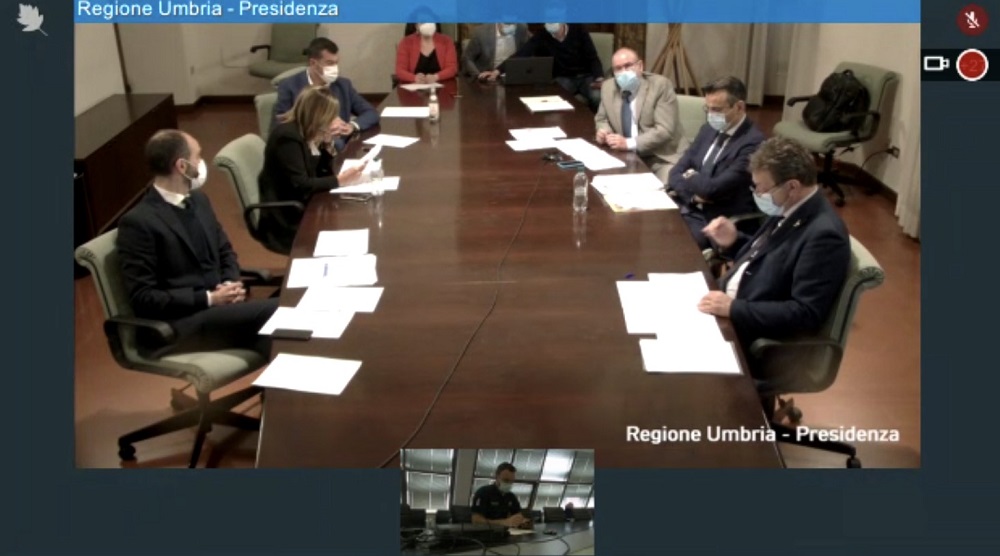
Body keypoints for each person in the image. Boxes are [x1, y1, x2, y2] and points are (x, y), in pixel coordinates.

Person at [698, 136, 851, 386]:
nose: (757, 194)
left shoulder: (824, 236)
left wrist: (734, 308)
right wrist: (734, 241)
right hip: (732, 309)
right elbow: (769, 258)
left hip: (759, 344)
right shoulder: (791, 207)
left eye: (761, 188)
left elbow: (805, 313)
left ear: (792, 186)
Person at [116, 130, 279, 359]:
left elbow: (224, 251)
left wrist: (230, 284)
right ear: (182, 166)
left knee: (275, 335)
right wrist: (209, 298)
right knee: (280, 309)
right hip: (179, 324)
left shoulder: (200, 200)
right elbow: (144, 298)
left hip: (219, 311)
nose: (202, 163)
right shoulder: (138, 222)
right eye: (198, 156)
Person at [258, 86, 367, 253]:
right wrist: (340, 180)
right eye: (331, 116)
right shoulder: (287, 137)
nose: (335, 120)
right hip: (286, 216)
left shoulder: (308, 131)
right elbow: (302, 184)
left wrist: (327, 143)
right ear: (318, 115)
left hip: (306, 203)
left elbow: (322, 171)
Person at [668, 76, 765, 249]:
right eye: (708, 108)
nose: (711, 115)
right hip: (689, 206)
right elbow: (675, 172)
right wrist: (692, 197)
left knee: (674, 245)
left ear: (739, 107)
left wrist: (689, 175)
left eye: (717, 109)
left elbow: (712, 189)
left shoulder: (753, 143)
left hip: (717, 221)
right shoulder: (708, 129)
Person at [273, 37, 379, 151]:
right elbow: (280, 124)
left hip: (339, 148)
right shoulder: (289, 86)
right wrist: (321, 129)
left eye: (336, 63)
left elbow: (371, 112)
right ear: (313, 63)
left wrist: (351, 126)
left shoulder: (343, 85)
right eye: (330, 63)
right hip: (306, 148)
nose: (335, 68)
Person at [595, 48, 682, 183]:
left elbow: (664, 130)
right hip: (625, 155)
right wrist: (604, 132)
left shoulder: (660, 86)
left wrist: (628, 143)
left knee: (664, 190)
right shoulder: (608, 87)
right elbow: (601, 118)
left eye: (628, 66)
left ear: (640, 66)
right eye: (618, 68)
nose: (623, 72)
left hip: (660, 157)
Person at [513, 23, 603, 110]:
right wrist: (503, 69)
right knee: (554, 99)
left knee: (597, 97)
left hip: (586, 76)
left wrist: (599, 78)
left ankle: (594, 119)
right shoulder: (542, 34)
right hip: (563, 77)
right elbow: (523, 53)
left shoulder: (578, 29)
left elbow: (593, 57)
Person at [461, 23, 530, 81]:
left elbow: (526, 53)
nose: (510, 26)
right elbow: (467, 58)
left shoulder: (521, 28)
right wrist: (478, 75)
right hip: (488, 78)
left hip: (513, 77)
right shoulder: (481, 32)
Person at [471, 463, 531, 528]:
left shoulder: (511, 496)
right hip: (485, 531)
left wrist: (522, 521)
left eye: (512, 481)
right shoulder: (483, 492)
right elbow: (476, 520)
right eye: (506, 480)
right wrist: (503, 522)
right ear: (497, 477)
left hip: (505, 531)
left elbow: (518, 515)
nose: (509, 484)